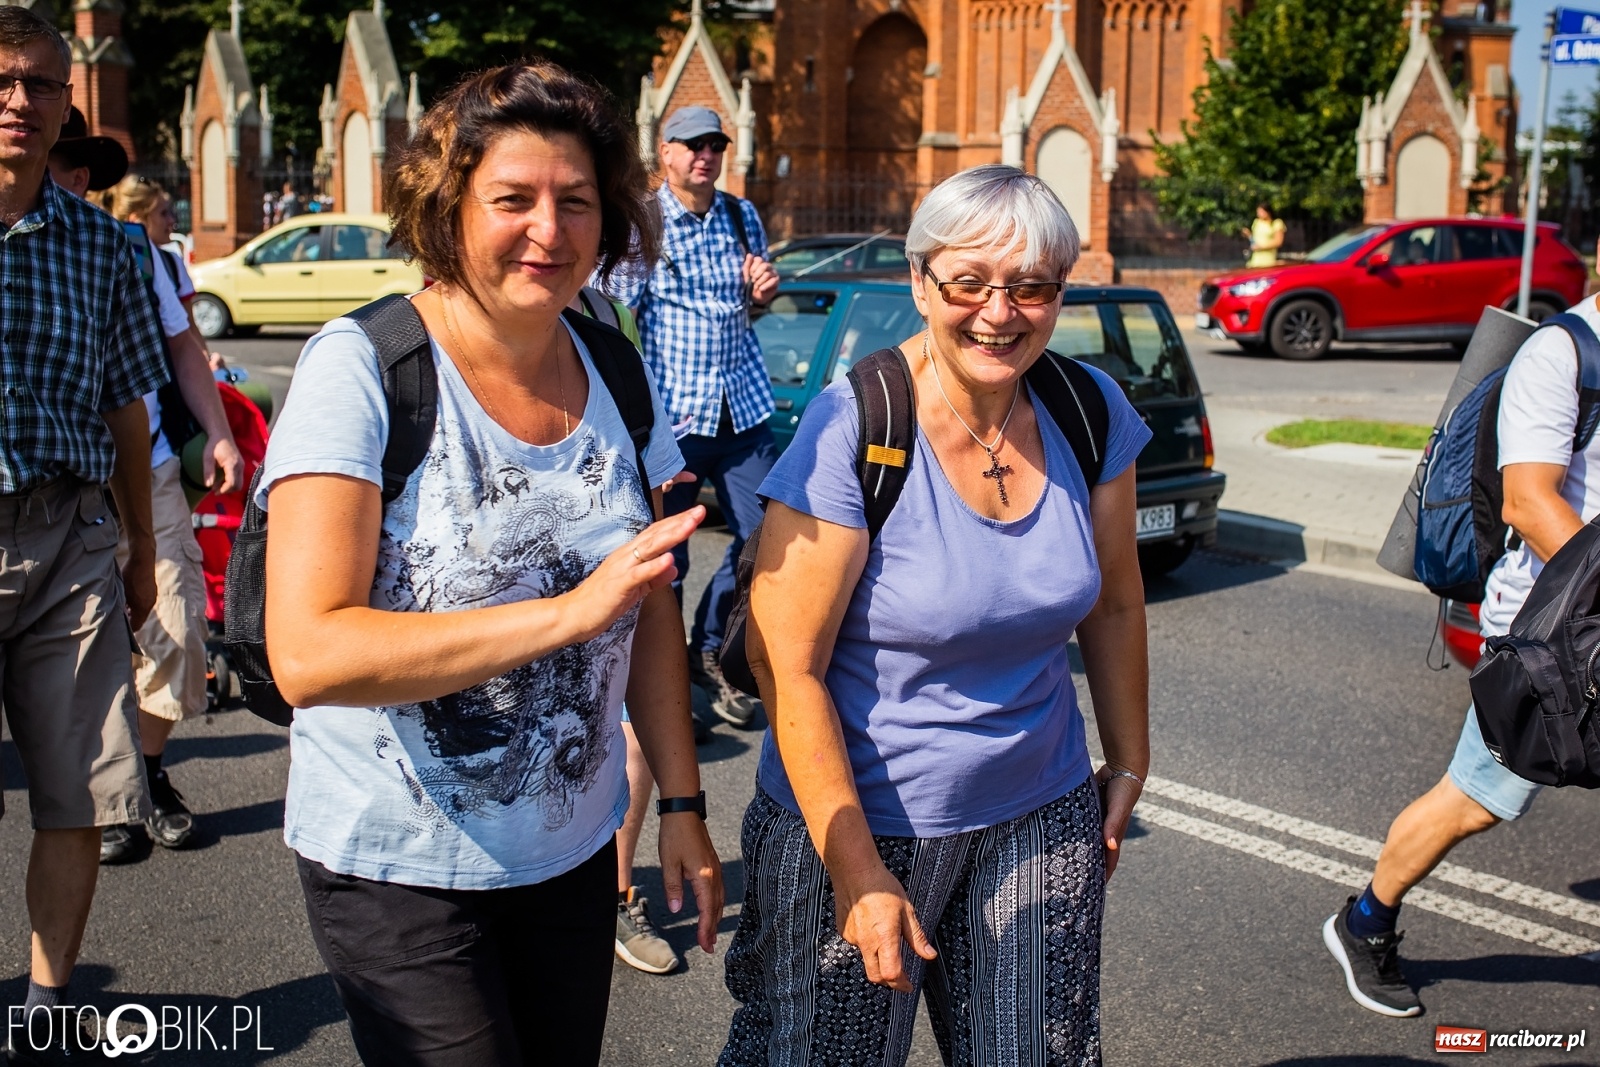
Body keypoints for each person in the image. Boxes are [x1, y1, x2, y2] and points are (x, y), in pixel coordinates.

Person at [258, 60, 723, 1065]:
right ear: (450, 206)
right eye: (511, 199)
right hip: (398, 865)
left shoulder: (615, 363)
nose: (548, 233)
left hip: (568, 848)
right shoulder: (366, 367)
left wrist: (680, 803)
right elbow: (308, 649)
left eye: (577, 202)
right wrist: (568, 612)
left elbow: (650, 609)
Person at [720, 165, 1152, 1066]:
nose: (1000, 312)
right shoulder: (857, 423)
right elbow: (782, 660)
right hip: (857, 821)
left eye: (1032, 287)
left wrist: (1132, 756)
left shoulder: (1089, 410)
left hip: (1041, 808)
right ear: (921, 283)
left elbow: (1113, 599)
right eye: (970, 284)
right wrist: (856, 869)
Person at [1322, 289, 1600, 1018]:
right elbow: (1529, 503)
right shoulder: (1564, 354)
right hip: (1550, 634)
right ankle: (1364, 922)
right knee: (1479, 798)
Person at [0, 7, 172, 1059]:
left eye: (40, 83)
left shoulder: (108, 248)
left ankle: (49, 1006)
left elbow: (126, 410)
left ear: (70, 101)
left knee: (82, 791)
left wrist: (146, 550)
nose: (19, 100)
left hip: (68, 537)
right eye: (2, 79)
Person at [92, 173, 243, 863]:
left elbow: (183, 346)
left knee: (177, 631)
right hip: (58, 482)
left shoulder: (135, 249)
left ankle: (147, 773)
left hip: (148, 467)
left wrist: (217, 429)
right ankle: (111, 797)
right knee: (82, 654)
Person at [614, 105, 781, 731]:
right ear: (666, 152)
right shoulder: (644, 224)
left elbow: (752, 309)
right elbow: (618, 323)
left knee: (769, 539)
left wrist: (764, 292)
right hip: (676, 421)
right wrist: (634, 425)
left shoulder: (742, 215)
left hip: (744, 409)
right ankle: (664, 683)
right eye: (691, 145)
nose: (704, 155)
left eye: (714, 145)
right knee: (671, 559)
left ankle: (710, 649)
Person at [568, 284, 685, 976]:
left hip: (621, 572)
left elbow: (654, 491)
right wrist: (570, 614)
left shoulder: (611, 324)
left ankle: (615, 892)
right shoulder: (392, 345)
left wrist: (686, 804)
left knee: (633, 730)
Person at [1245, 203, 1285, 267]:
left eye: (1261, 212)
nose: (1258, 214)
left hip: (1268, 259)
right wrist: (1249, 235)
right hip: (1255, 258)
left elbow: (1278, 241)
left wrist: (1261, 246)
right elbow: (1254, 240)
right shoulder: (1257, 222)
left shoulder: (1276, 223)